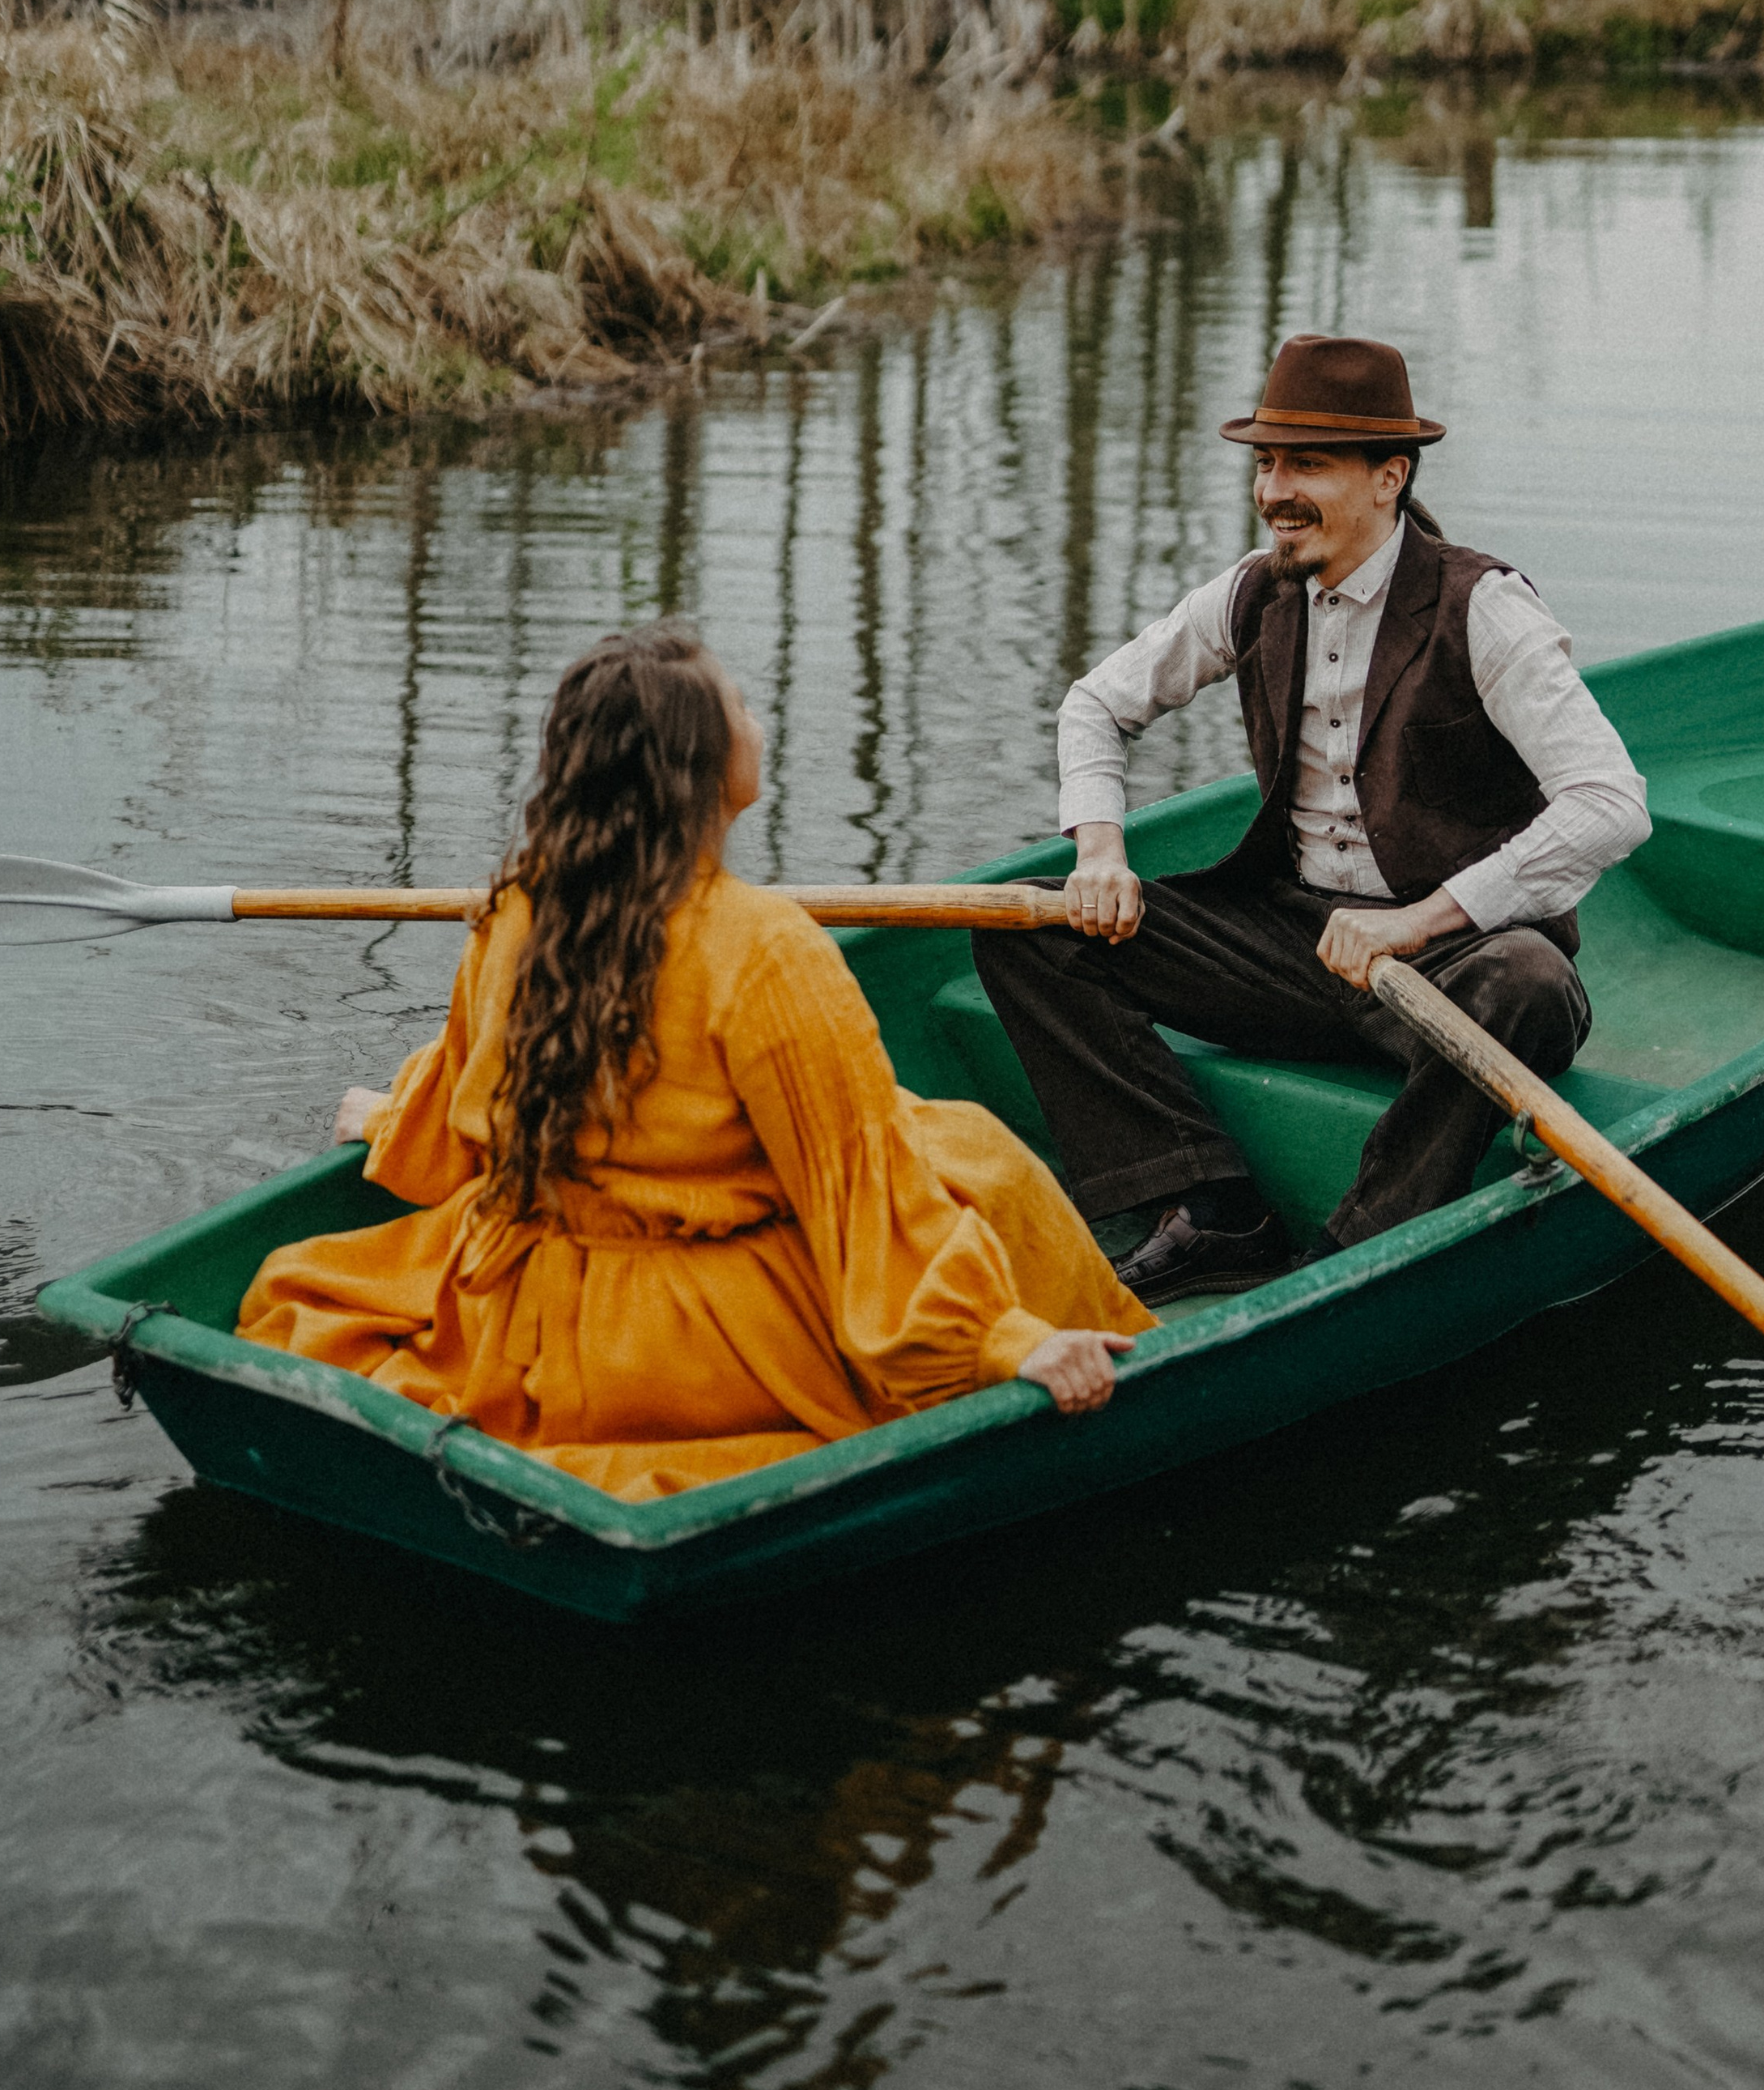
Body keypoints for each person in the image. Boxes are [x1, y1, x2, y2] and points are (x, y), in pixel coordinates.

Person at [236, 624, 1152, 1497]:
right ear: (704, 768)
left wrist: (391, 1120)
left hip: (521, 1298)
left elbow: (481, 1109)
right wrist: (999, 1340)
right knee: (983, 1162)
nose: (758, 722)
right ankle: (1117, 1350)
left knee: (946, 1134)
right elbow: (864, 1201)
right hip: (691, 1335)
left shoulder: (518, 910)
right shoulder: (767, 952)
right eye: (742, 707)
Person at [972, 333, 1651, 1304]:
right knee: (1031, 929)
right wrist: (1101, 850)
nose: (1274, 489)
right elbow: (1096, 703)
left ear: (1390, 477)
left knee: (1531, 984)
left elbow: (1610, 804)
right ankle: (1214, 1210)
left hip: (1450, 963)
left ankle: (1357, 1247)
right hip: (1293, 944)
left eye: (1308, 464)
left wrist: (1414, 924)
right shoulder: (1253, 591)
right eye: (1266, 462)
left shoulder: (1483, 607)